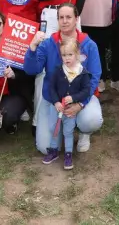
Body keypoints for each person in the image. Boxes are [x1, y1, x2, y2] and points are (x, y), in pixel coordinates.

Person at [24, 3, 103, 154]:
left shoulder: (89, 44)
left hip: (80, 96)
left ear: (76, 19)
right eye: (61, 17)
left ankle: (83, 132)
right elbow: (31, 70)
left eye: (69, 17)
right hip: (53, 101)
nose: (65, 21)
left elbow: (94, 77)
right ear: (57, 20)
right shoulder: (48, 44)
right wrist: (32, 47)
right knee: (45, 148)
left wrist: (80, 104)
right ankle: (61, 130)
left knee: (91, 120)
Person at [41, 39, 94, 170]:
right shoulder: (58, 70)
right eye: (64, 55)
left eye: (70, 55)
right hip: (57, 107)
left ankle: (68, 153)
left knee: (68, 132)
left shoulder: (83, 73)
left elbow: (86, 91)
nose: (67, 58)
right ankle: (53, 151)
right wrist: (56, 102)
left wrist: (74, 98)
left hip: (71, 110)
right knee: (54, 128)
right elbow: (51, 88)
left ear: (77, 54)